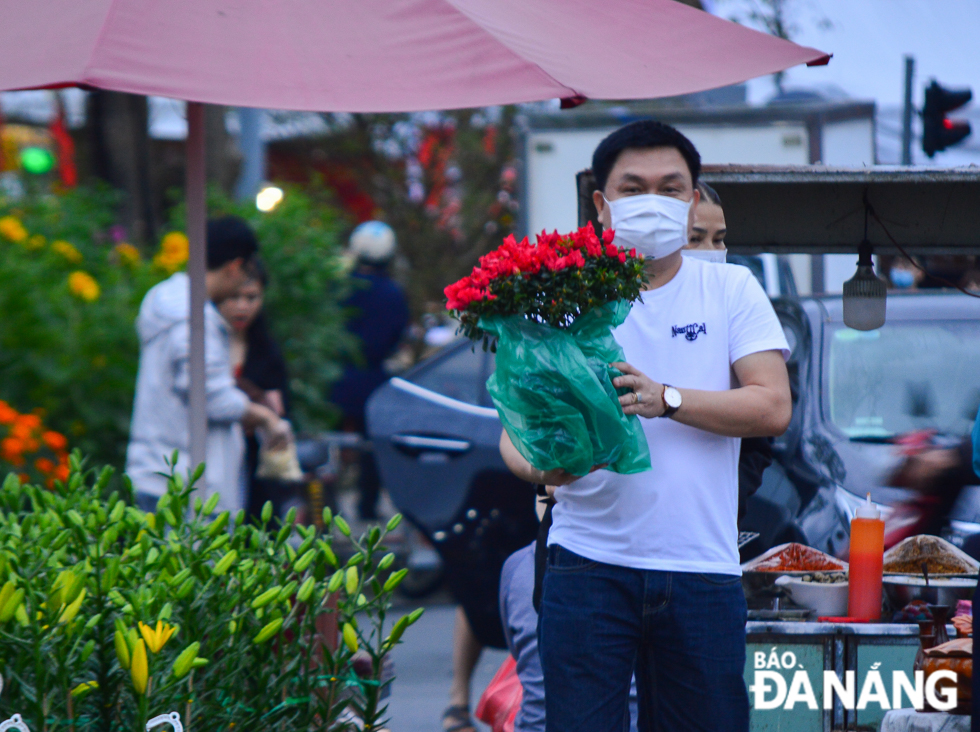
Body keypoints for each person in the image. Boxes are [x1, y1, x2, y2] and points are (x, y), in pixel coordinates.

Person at [500, 120, 792, 732]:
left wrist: (669, 399)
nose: (652, 201)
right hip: (586, 566)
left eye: (670, 187)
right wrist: (546, 465)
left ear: (691, 202)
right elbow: (515, 434)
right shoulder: (558, 296)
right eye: (633, 189)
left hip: (702, 569)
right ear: (602, 205)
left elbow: (771, 405)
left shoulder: (731, 288)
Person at [127, 217, 290, 513]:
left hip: (154, 474)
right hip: (188, 488)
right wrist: (267, 418)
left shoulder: (163, 300)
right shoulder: (194, 321)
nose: (242, 286)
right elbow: (213, 398)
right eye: (245, 274)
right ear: (234, 266)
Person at [331, 221, 409, 520]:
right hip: (375, 381)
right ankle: (367, 507)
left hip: (337, 378)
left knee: (328, 445)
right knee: (370, 448)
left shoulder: (340, 287)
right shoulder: (393, 293)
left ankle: (324, 506)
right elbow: (395, 337)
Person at [216, 258, 293, 519]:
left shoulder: (266, 350)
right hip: (214, 456)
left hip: (256, 464)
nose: (242, 307)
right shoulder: (205, 343)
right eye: (233, 297)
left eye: (251, 297)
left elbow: (281, 408)